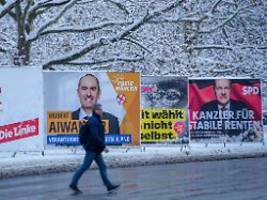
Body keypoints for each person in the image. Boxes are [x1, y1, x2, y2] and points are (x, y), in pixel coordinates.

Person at [69, 74, 120, 193]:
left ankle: (108, 185)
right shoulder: (93, 121)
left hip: (95, 149)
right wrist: (104, 147)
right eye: (84, 89)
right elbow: (95, 136)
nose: (102, 111)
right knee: (84, 167)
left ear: (98, 93)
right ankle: (73, 183)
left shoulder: (105, 120)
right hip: (92, 149)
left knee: (102, 167)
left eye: (93, 89)